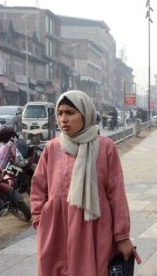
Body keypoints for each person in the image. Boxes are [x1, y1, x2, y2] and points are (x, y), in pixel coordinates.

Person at [30, 90, 141, 276]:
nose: (63, 119)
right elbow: (39, 186)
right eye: (60, 113)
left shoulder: (105, 147)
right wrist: (41, 219)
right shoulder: (52, 148)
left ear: (86, 114)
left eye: (70, 113)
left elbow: (116, 193)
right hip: (57, 228)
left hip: (94, 227)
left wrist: (122, 236)